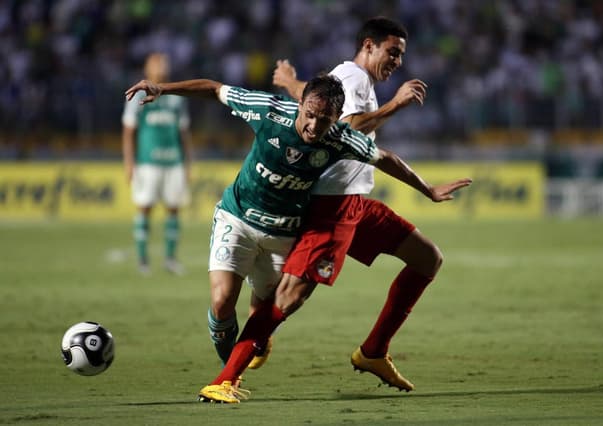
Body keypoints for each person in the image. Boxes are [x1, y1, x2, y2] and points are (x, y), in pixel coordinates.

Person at [124, 72, 471, 404]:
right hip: (238, 217)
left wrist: (428, 190)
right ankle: (228, 378)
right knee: (222, 301)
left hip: (283, 234)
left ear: (338, 118)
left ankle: (239, 363)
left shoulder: (340, 138)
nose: (314, 126)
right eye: (309, 115)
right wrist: (163, 88)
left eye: (325, 119)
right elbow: (215, 89)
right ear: (301, 104)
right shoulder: (267, 110)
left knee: (263, 312)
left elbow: (385, 159)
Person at [248, 16, 441, 392]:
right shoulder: (354, 77)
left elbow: (320, 102)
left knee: (427, 258)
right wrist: (396, 105)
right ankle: (239, 355)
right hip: (331, 205)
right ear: (369, 46)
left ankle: (373, 351)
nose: (398, 62)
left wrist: (290, 83)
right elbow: (344, 129)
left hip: (356, 203)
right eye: (393, 52)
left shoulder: (349, 78)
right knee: (288, 298)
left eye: (401, 55)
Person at [122, 53, 192, 275]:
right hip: (147, 162)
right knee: (145, 207)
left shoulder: (176, 97)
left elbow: (184, 132)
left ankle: (170, 259)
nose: (161, 67)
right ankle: (143, 260)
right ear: (146, 68)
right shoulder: (138, 94)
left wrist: (188, 163)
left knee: (173, 209)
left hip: (173, 162)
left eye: (164, 63)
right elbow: (128, 131)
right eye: (156, 63)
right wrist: (129, 162)